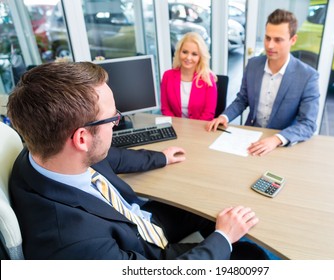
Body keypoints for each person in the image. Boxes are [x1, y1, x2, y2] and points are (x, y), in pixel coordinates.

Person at [7, 61, 267, 260]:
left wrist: (161, 157)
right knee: (250, 256)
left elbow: (113, 157)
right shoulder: (74, 244)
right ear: (82, 139)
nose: (118, 121)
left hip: (139, 219)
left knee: (206, 202)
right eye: (112, 118)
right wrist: (223, 238)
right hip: (148, 252)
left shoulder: (44, 152)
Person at [207, 9, 320, 156]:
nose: (270, 45)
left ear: (293, 40)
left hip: (281, 143)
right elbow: (242, 99)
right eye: (267, 38)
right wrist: (224, 117)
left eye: (278, 40)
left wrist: (276, 139)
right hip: (249, 139)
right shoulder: (253, 65)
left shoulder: (308, 76)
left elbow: (308, 124)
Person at [160, 32, 217, 121]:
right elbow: (165, 108)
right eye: (185, 52)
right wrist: (177, 126)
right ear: (179, 52)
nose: (188, 58)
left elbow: (208, 114)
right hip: (175, 127)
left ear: (200, 57)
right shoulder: (167, 76)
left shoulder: (208, 79)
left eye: (194, 54)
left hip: (199, 129)